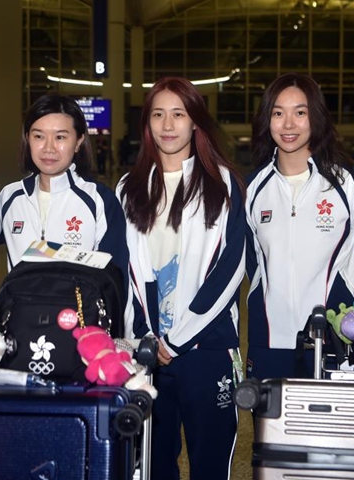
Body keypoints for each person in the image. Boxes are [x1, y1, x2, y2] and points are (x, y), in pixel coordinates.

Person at [117, 77, 246, 480]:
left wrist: (182, 334)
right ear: (147, 124)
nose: (168, 124)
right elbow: (126, 272)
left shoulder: (221, 183)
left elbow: (232, 265)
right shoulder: (129, 188)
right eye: (158, 114)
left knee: (210, 462)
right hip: (149, 353)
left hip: (206, 349)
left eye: (179, 114)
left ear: (196, 123)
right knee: (153, 464)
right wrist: (145, 336)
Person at [245, 72, 354, 380]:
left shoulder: (349, 184)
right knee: (271, 429)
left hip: (336, 338)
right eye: (277, 113)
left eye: (300, 112)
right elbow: (249, 263)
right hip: (270, 340)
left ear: (316, 117)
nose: (288, 124)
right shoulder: (252, 189)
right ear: (266, 119)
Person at [0, 94, 129, 287]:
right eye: (39, 136)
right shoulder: (10, 198)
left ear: (78, 142)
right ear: (27, 139)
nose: (48, 148)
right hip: (22, 314)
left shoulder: (99, 201)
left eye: (60, 137)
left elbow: (117, 278)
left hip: (80, 315)